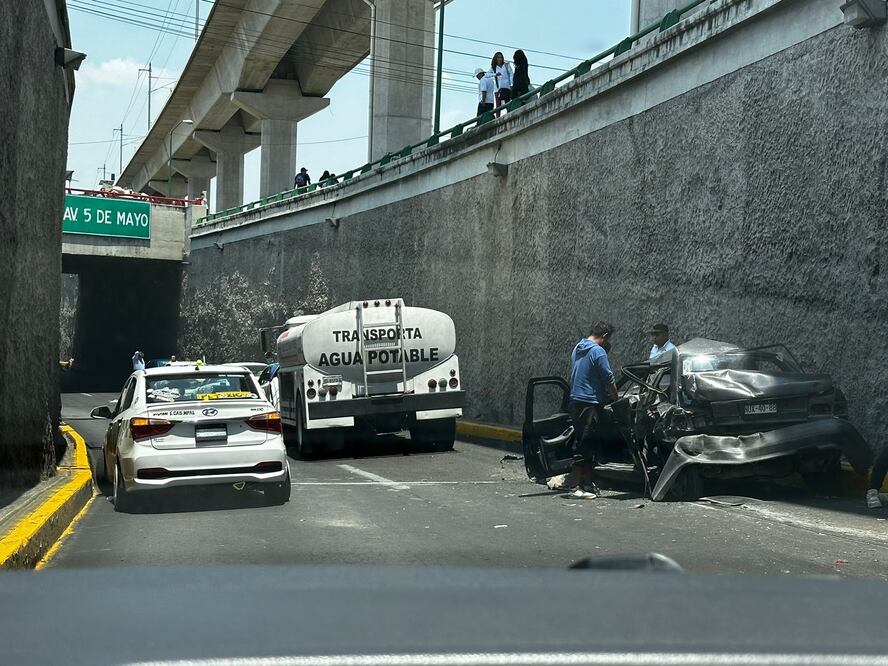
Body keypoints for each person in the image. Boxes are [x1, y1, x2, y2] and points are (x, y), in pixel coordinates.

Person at [565, 321, 618, 498]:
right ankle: (575, 486)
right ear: (604, 337)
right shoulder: (598, 351)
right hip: (590, 403)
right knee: (585, 444)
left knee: (589, 443)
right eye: (608, 339)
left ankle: (587, 483)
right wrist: (617, 400)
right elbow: (608, 378)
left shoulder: (578, 348)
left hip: (577, 401)